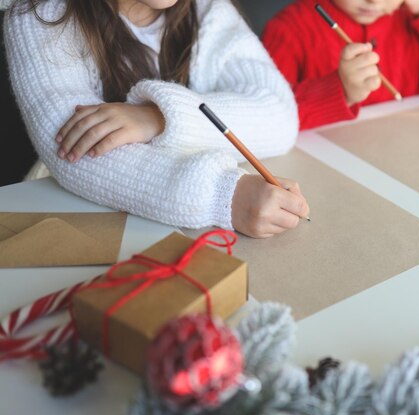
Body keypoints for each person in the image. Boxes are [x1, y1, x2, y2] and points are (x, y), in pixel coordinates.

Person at [2, 0, 309, 238]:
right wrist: (222, 195)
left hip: (178, 232)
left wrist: (160, 117)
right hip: (74, 227)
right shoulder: (40, 14)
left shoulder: (206, 9)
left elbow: (280, 115)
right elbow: (76, 150)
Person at [262, 0, 419, 130]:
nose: (373, 1)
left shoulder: (412, 18)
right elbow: (266, 117)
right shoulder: (290, 29)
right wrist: (341, 91)